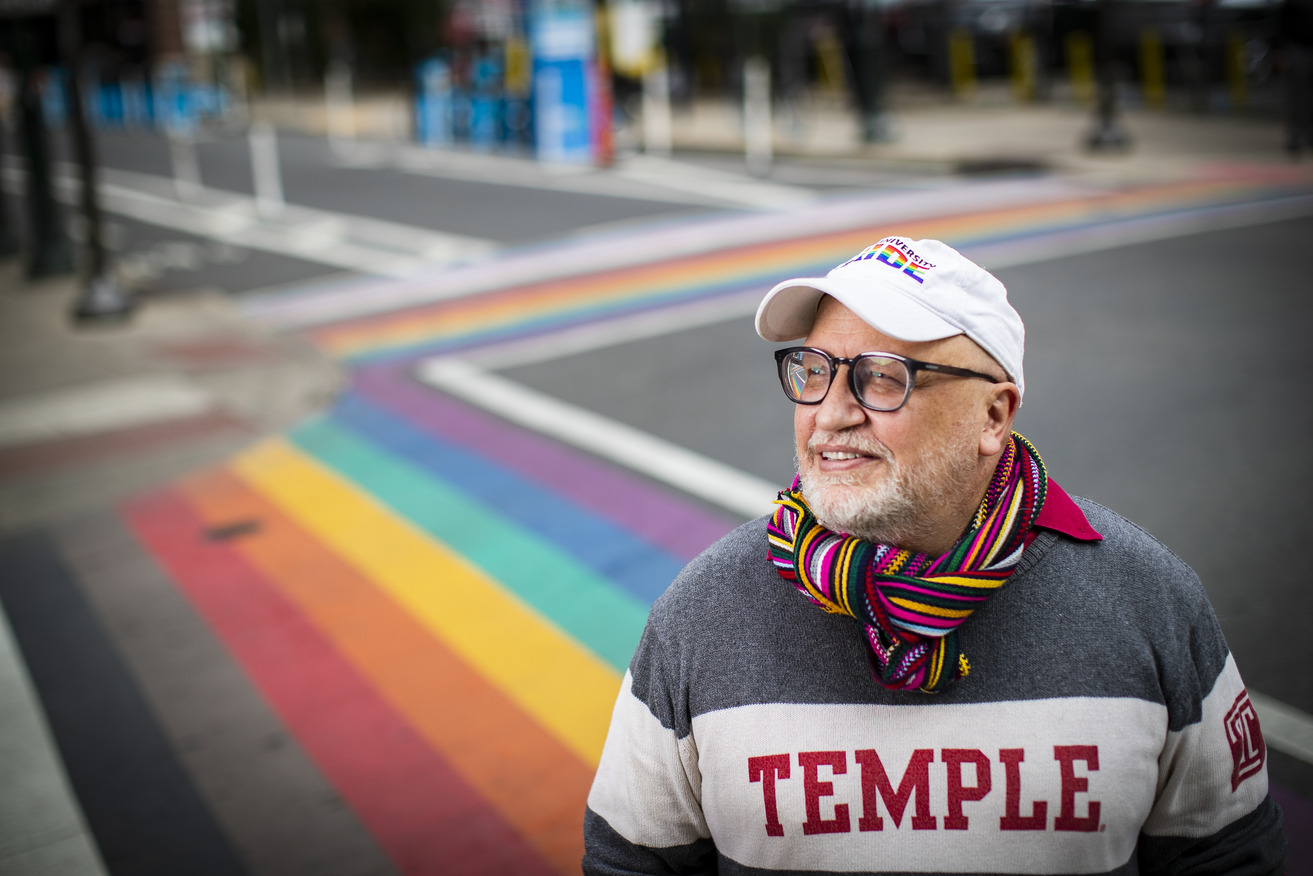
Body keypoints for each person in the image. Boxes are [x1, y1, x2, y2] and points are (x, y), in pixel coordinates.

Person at [582, 237, 1287, 875]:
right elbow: (630, 863)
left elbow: (1227, 857)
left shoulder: (1147, 601)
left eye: (883, 377)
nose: (830, 412)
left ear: (992, 415)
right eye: (813, 369)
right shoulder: (702, 614)